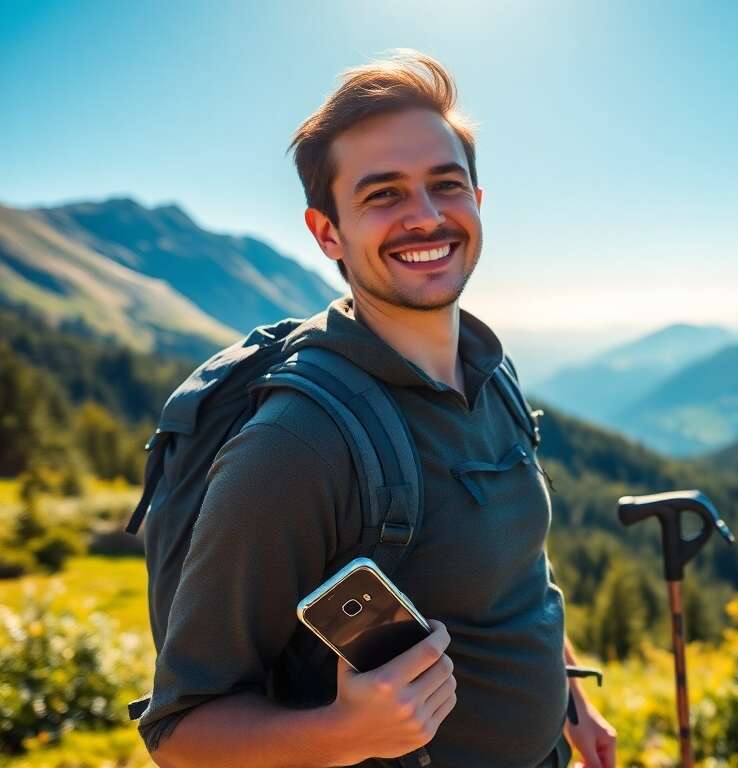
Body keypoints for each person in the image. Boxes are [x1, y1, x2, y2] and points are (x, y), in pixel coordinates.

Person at [137, 49, 617, 768]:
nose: (426, 216)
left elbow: (519, 569)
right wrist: (346, 734)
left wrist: (572, 703)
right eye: (384, 195)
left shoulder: (491, 369)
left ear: (477, 201)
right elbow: (181, 734)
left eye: (445, 185)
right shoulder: (295, 446)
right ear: (327, 232)